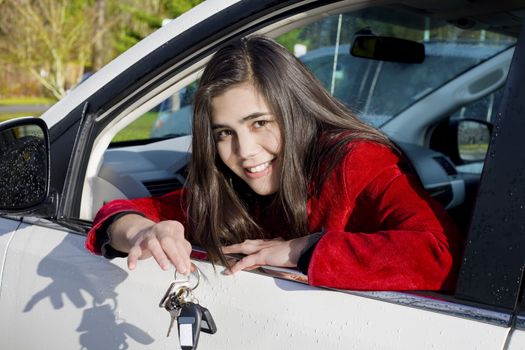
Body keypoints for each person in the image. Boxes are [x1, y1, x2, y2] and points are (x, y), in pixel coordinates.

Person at [86, 36, 461, 291]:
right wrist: (140, 233)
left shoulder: (355, 160)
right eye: (223, 133)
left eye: (260, 123)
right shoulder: (232, 186)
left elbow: (439, 254)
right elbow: (129, 211)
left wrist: (303, 249)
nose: (245, 151)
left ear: (296, 113)